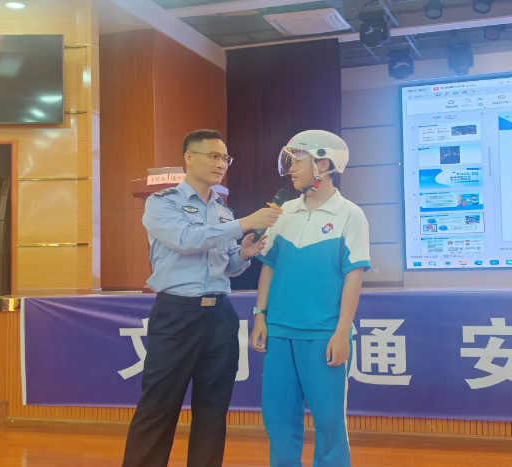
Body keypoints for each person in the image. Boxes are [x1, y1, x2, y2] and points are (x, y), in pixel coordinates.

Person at [122, 129, 282, 467]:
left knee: (213, 409)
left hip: (219, 316)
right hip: (176, 314)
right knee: (159, 405)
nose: (221, 163)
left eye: (225, 158)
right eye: (213, 156)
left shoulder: (223, 211)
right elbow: (186, 239)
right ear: (189, 158)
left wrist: (245, 253)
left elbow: (227, 266)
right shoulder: (162, 202)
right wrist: (244, 224)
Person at [249, 130, 371, 467]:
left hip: (323, 335)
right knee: (278, 419)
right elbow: (269, 267)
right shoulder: (284, 212)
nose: (291, 168)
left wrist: (341, 333)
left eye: (298, 160)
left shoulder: (350, 214)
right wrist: (260, 315)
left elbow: (354, 277)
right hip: (279, 331)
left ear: (324, 164)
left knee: (329, 423)